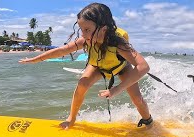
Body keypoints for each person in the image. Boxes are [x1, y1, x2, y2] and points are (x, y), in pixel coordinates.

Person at [19, 3, 153, 129]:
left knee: (137, 99)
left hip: (121, 67)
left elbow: (143, 66)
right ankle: (71, 119)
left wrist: (117, 89)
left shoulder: (118, 43)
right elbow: (62, 50)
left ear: (104, 29)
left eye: (87, 29)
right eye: (82, 29)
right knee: (82, 84)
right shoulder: (85, 40)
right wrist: (37, 59)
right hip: (98, 66)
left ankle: (148, 121)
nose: (83, 34)